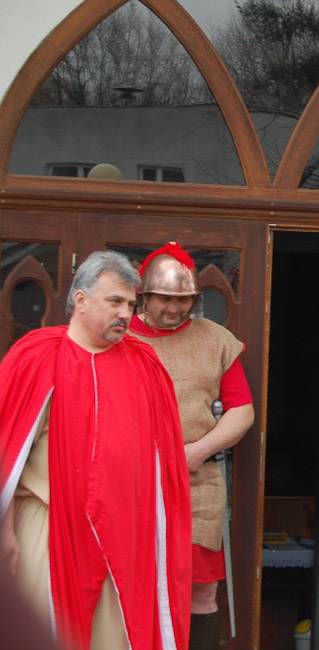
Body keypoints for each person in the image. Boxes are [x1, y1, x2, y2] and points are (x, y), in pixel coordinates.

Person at [0, 250, 191, 650]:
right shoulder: (36, 357)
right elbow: (7, 453)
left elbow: (162, 464)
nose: (125, 314)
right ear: (81, 300)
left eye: (131, 305)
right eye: (115, 301)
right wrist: (5, 532)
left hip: (124, 537)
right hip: (46, 528)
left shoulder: (144, 365)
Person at [129, 242, 254, 650]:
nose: (174, 309)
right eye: (164, 299)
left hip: (195, 485)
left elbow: (241, 410)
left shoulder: (215, 340)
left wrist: (197, 451)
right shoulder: (120, 337)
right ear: (144, 296)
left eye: (183, 300)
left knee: (201, 593)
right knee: (134, 586)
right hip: (131, 484)